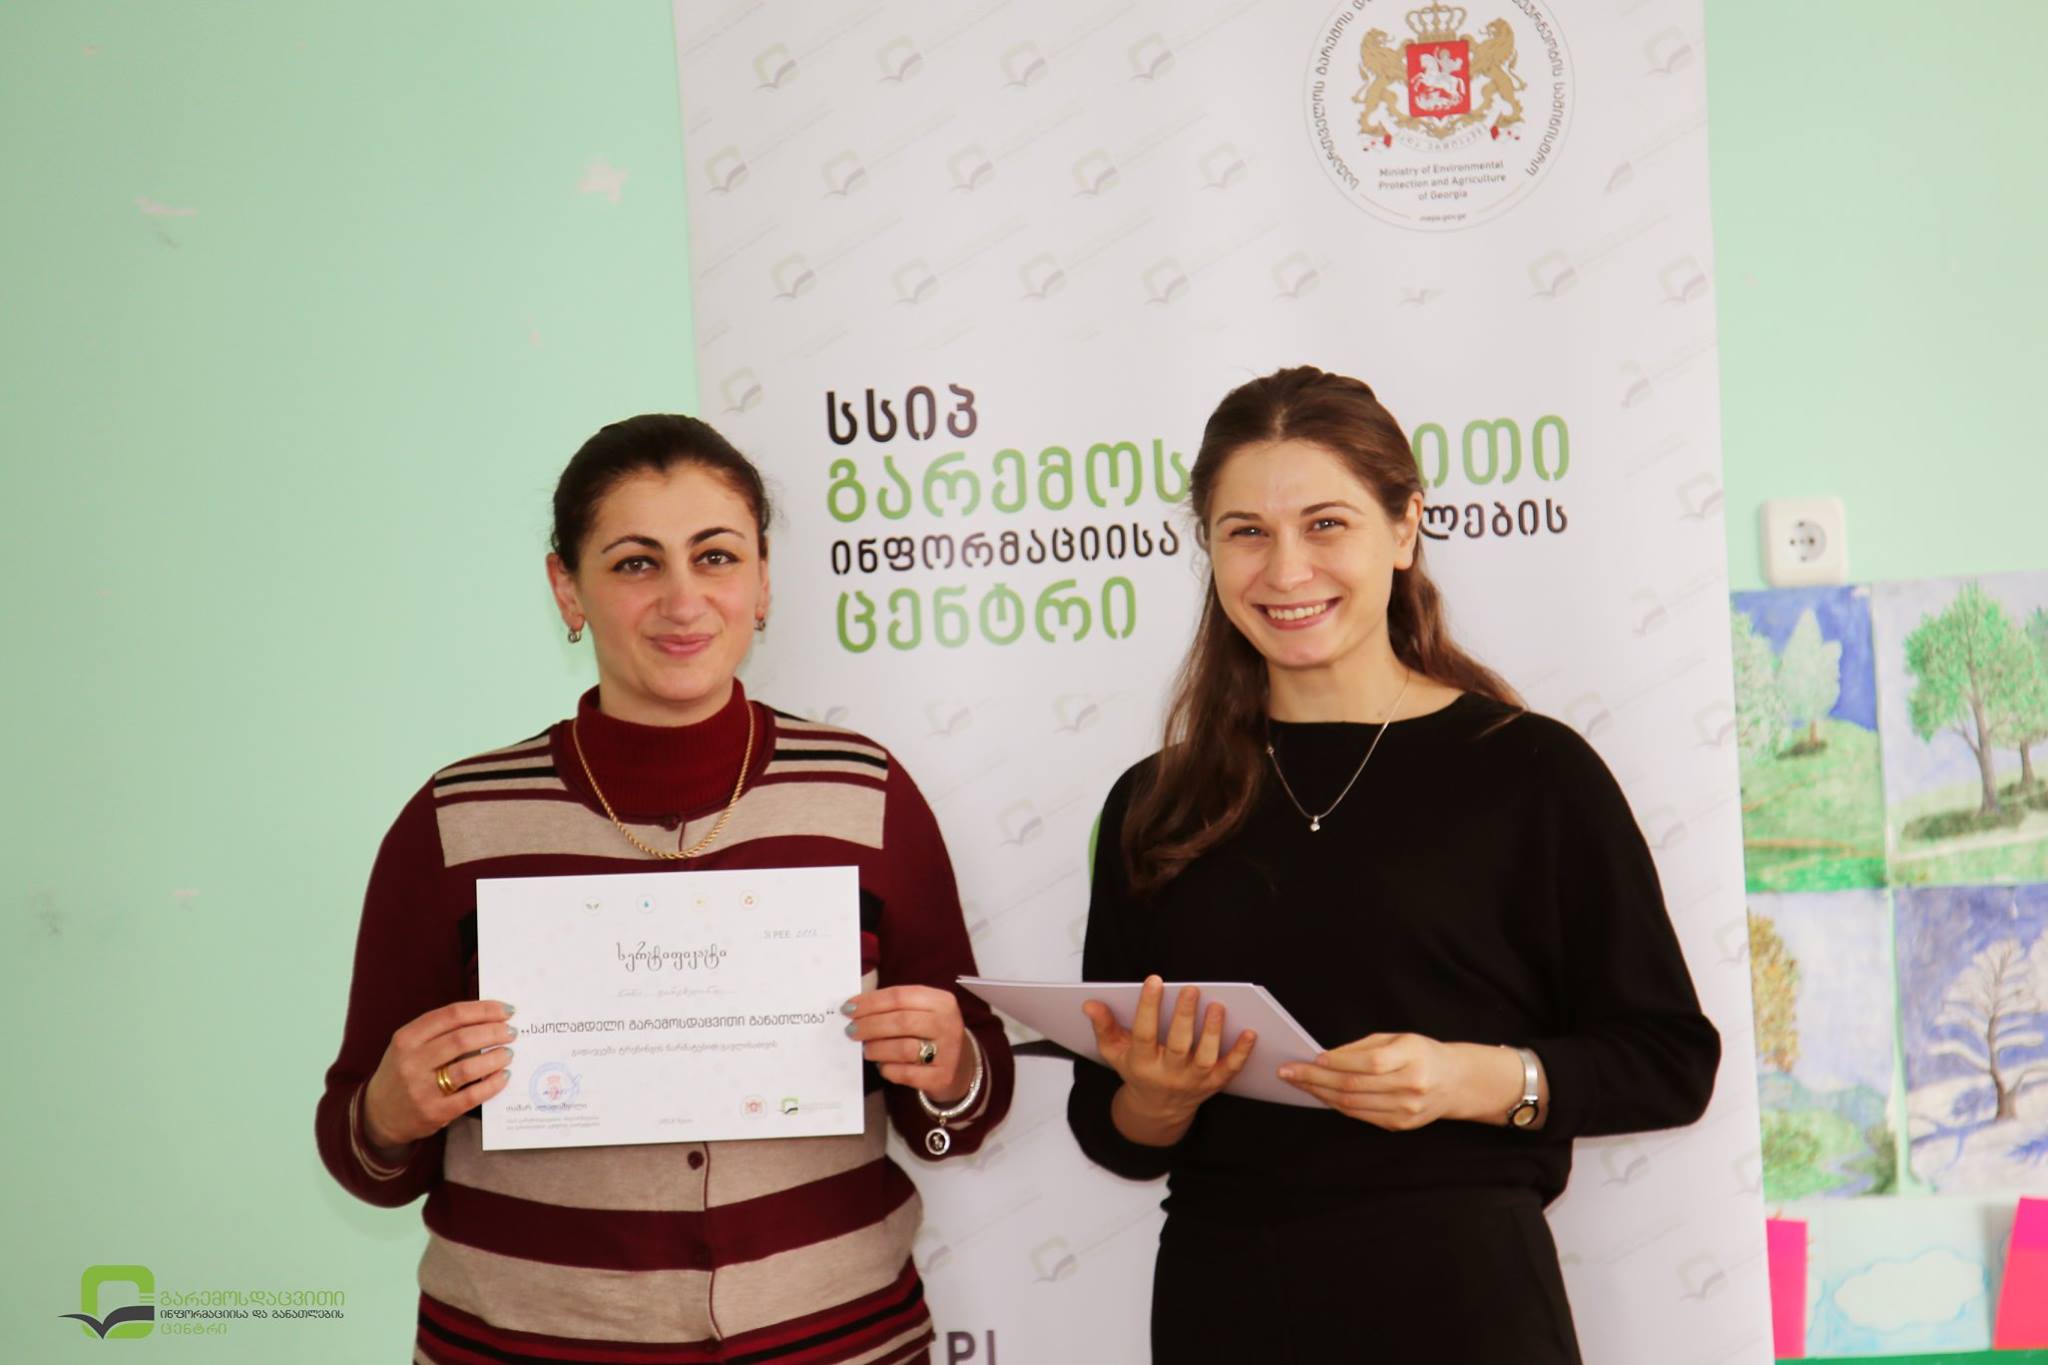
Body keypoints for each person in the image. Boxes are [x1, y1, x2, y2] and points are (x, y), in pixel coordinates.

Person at [315, 413, 1012, 1365]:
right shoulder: (455, 822)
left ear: (763, 581)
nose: (684, 601)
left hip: (839, 1343)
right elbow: (363, 1155)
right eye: (637, 563)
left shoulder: (866, 794)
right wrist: (390, 1112)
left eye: (716, 556)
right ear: (567, 588)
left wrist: (950, 1067)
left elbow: (967, 1109)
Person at [1065, 367, 1720, 1363]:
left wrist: (1470, 1078)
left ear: (1405, 528)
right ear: (1208, 547)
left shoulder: (1533, 773)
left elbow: (1669, 1061)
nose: (1285, 570)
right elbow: (1107, 1129)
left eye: (1325, 524)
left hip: (1465, 1304)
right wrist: (1156, 1097)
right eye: (1246, 532)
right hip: (1223, 1307)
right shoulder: (1154, 803)